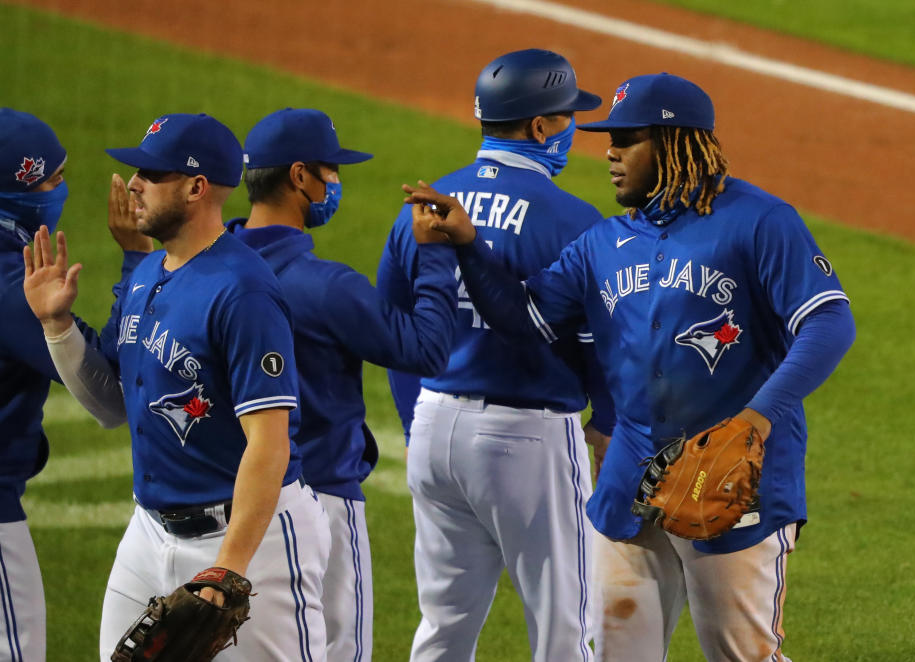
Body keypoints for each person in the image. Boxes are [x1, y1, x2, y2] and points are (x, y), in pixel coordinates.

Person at [403, 72, 857, 662]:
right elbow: (528, 316)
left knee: (739, 653)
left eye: (627, 139)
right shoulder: (604, 242)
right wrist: (469, 244)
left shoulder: (760, 222)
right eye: (609, 139)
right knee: (620, 650)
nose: (610, 152)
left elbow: (828, 323)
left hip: (729, 479)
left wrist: (758, 419)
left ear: (674, 144)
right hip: (629, 481)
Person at [22, 112, 330, 661]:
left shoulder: (243, 291)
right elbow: (112, 405)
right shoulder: (147, 274)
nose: (134, 184)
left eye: (151, 174)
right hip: (149, 532)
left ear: (196, 187)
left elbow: (269, 442)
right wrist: (58, 328)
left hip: (245, 540)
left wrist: (229, 568)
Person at [377, 49, 615, 662]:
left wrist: (413, 421)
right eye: (565, 117)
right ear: (540, 127)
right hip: (528, 440)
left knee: (444, 628)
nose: (569, 131)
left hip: (434, 431)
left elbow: (392, 330)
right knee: (567, 629)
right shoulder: (573, 220)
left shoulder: (423, 208)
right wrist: (608, 420)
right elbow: (599, 342)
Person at [227, 107, 458, 662]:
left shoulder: (207, 273)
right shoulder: (325, 286)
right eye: (330, 171)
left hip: (231, 505)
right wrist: (433, 254)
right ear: (300, 176)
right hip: (323, 502)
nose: (336, 183)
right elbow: (426, 348)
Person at [0, 108, 83, 662]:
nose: (60, 189)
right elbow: (102, 375)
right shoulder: (11, 284)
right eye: (49, 179)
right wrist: (137, 262)